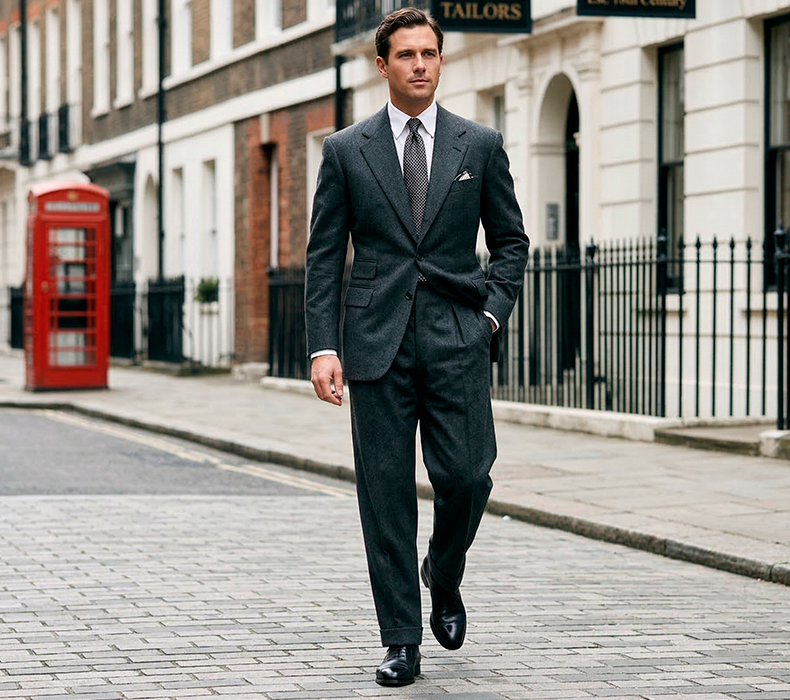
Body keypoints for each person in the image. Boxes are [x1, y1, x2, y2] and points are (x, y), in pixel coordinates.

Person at [304, 7, 529, 687]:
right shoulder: (346, 150)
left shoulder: (478, 144)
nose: (421, 65)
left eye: (430, 53)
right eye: (406, 55)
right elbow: (322, 257)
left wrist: (490, 316)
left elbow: (512, 242)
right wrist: (323, 346)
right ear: (384, 66)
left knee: (468, 474)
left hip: (457, 336)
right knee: (386, 496)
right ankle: (401, 639)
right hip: (374, 342)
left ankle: (446, 568)